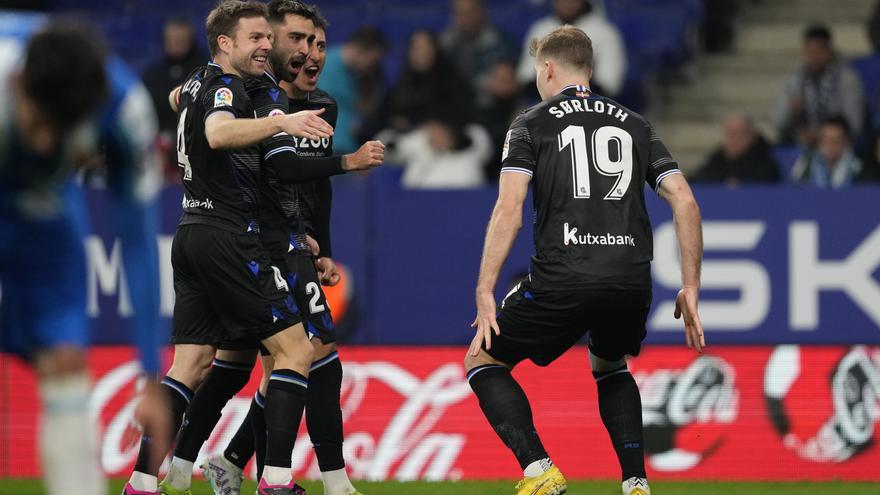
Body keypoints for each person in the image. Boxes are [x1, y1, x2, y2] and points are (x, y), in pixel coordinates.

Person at [150, 4, 382, 495]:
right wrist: (347, 159)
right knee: (306, 356)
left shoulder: (318, 102)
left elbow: (315, 191)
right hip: (258, 240)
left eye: (318, 43)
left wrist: (324, 247)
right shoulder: (262, 93)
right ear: (271, 42)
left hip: (276, 238)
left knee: (241, 366)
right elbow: (281, 167)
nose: (308, 51)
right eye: (297, 39)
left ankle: (199, 465)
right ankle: (301, 479)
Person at [465, 26, 704, 495]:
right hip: (631, 280)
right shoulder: (636, 123)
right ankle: (636, 482)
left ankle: (540, 471)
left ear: (548, 69)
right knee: (610, 365)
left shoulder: (530, 123)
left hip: (564, 274)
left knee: (482, 359)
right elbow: (686, 202)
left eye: (537, 71)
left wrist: (484, 288)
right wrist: (691, 285)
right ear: (590, 71)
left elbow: (509, 209)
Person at [0, 14, 165, 495]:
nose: (47, 143)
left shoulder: (124, 109)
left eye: (64, 129)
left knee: (67, 360)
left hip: (45, 216)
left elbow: (136, 239)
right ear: (18, 84)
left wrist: (149, 371)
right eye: (39, 121)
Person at [773, 24, 864, 146]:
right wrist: (791, 110)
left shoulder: (847, 79)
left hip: (835, 144)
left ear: (829, 51)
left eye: (818, 51)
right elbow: (778, 124)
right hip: (799, 143)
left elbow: (854, 124)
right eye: (809, 51)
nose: (814, 57)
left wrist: (823, 135)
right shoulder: (793, 80)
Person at [515, 0, 626, 98]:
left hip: (589, 103)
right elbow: (525, 78)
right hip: (543, 102)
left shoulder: (604, 31)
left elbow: (609, 84)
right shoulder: (541, 28)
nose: (566, 3)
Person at [141, 17, 206, 179]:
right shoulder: (153, 74)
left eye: (181, 40)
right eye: (172, 40)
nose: (176, 43)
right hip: (159, 142)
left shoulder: (204, 70)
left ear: (190, 40)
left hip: (195, 142)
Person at [384, 29, 472, 133]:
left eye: (426, 47)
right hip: (407, 139)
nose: (421, 53)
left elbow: (462, 114)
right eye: (416, 48)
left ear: (436, 50)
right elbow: (386, 114)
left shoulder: (452, 80)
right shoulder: (402, 81)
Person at [320, 27, 388, 153]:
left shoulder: (361, 76)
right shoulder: (322, 65)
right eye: (372, 60)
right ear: (361, 50)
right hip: (325, 147)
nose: (372, 66)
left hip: (349, 147)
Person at [381, 113, 492, 189]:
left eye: (442, 131)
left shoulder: (469, 158)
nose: (437, 135)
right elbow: (386, 150)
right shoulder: (420, 152)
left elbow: (482, 143)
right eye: (432, 130)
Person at [439, 0, 516, 108]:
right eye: (459, 13)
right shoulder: (445, 42)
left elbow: (507, 80)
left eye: (469, 12)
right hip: (452, 106)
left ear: (482, 13)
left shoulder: (500, 41)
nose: (465, 18)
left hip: (491, 104)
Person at [693, 114, 781, 184]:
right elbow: (698, 179)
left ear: (750, 136)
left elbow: (765, 183)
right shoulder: (717, 159)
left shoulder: (764, 161)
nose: (733, 139)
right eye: (730, 134)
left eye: (738, 134)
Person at [790, 116, 866, 188]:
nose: (830, 145)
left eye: (836, 141)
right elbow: (794, 190)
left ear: (846, 142)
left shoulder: (858, 168)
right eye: (826, 140)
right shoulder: (807, 163)